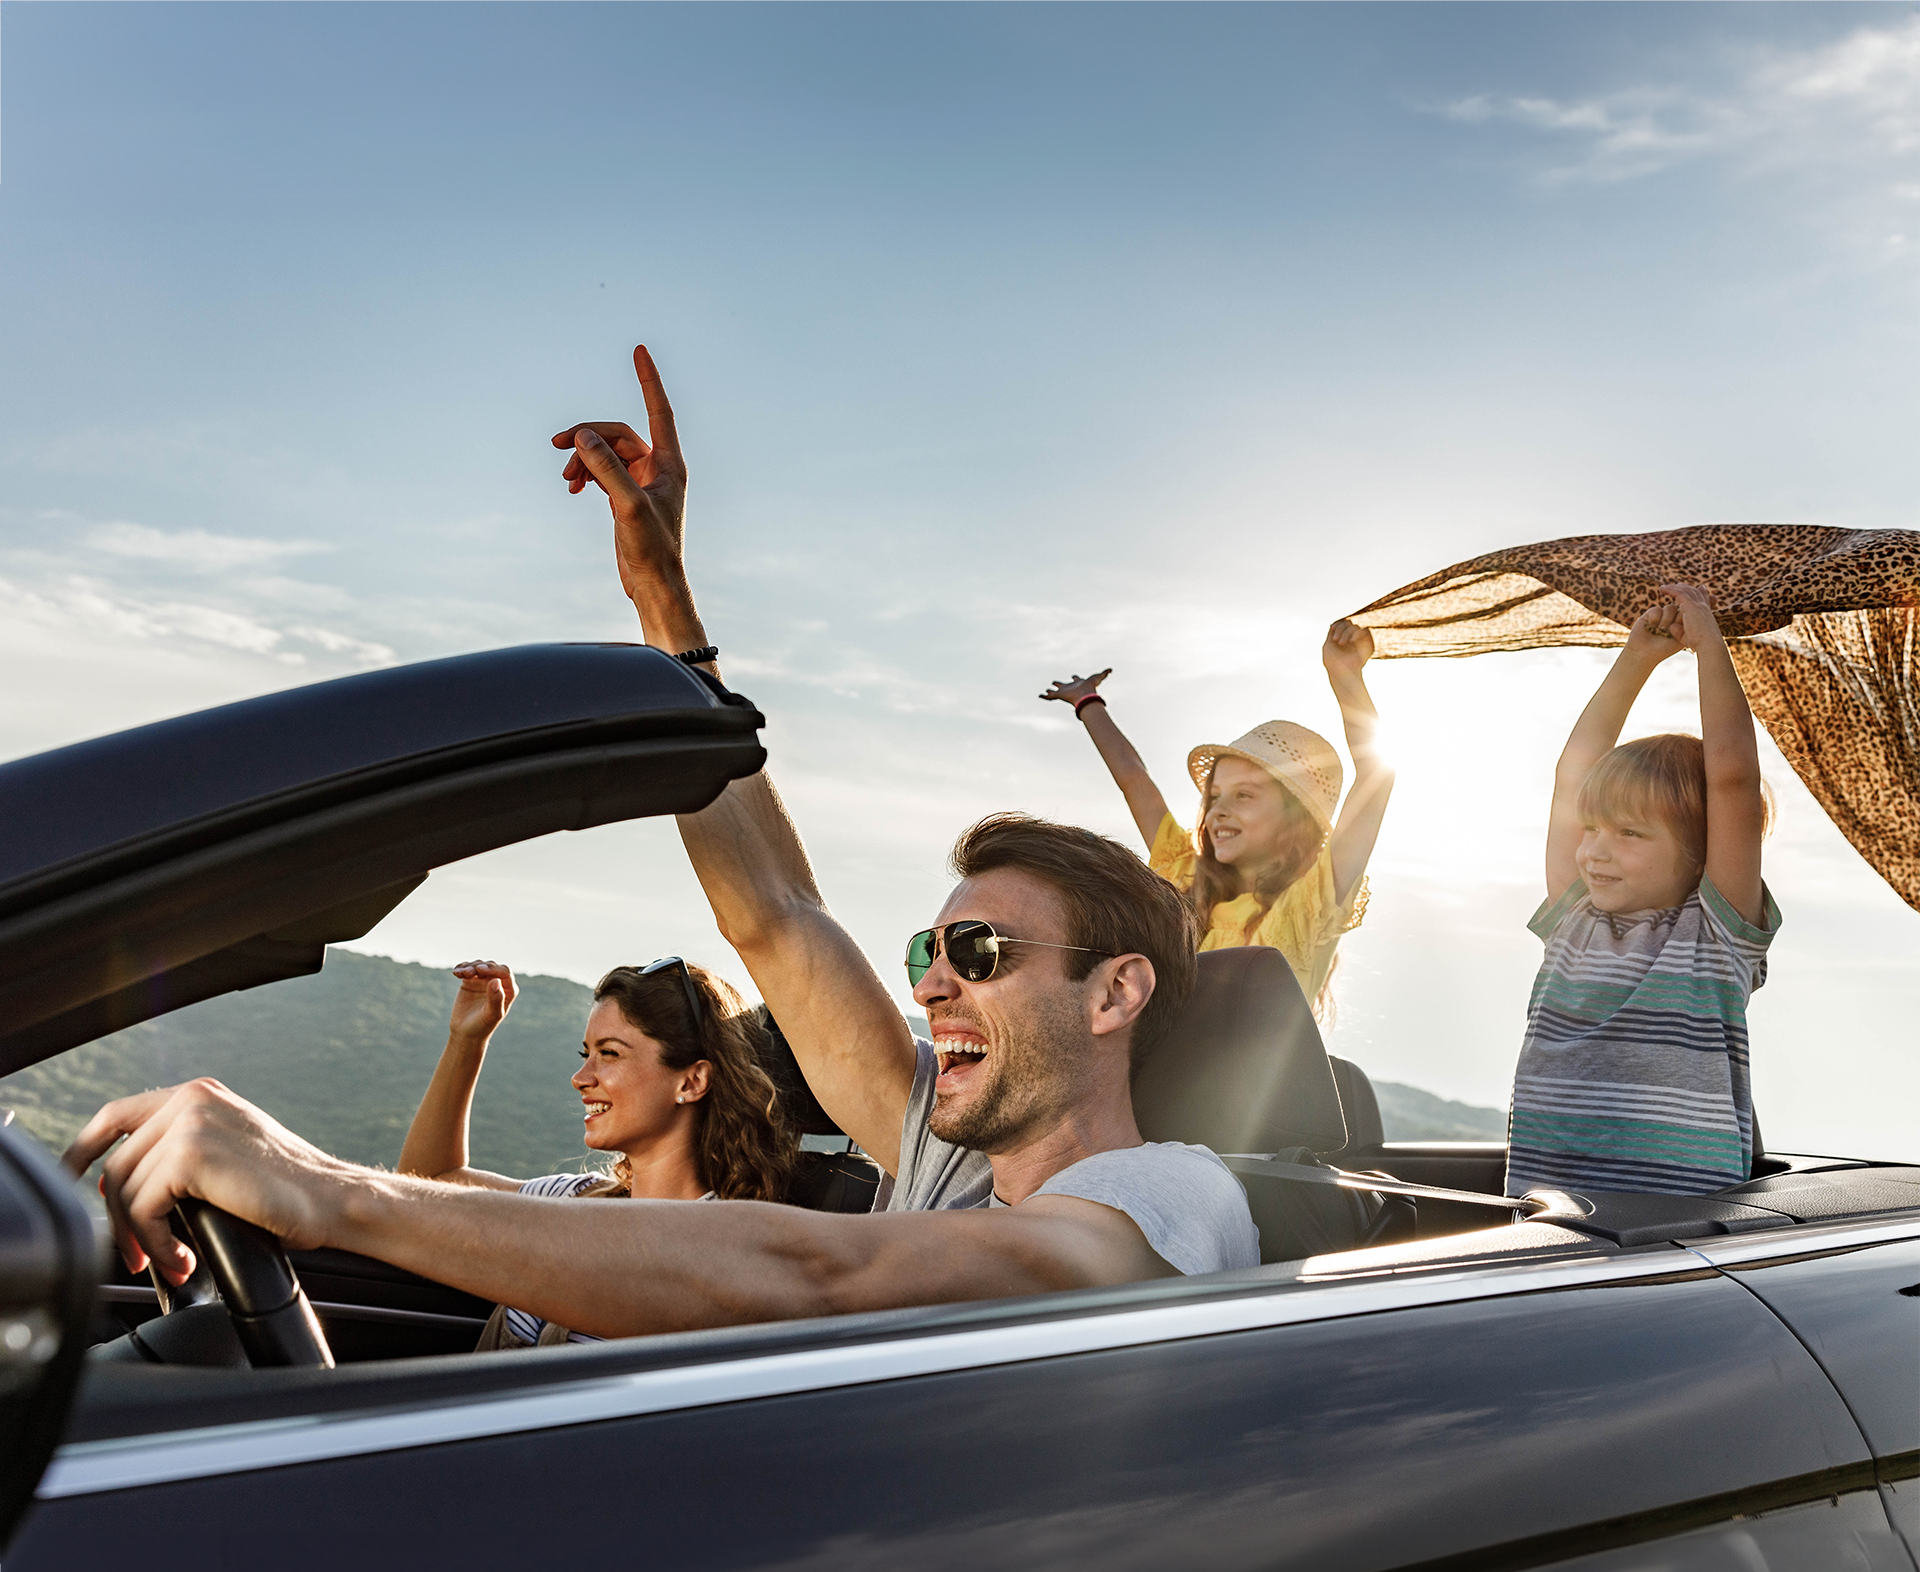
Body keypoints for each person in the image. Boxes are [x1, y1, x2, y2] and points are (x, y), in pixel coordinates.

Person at [63, 345, 1258, 1339]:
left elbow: (822, 1276)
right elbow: (776, 916)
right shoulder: (946, 1170)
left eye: (981, 951)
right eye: (928, 950)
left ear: (1116, 993)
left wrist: (328, 1191)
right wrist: (663, 608)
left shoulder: (1165, 1202)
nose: (933, 980)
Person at [1506, 583, 1779, 1199]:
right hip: (1542, 1225)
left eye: (1629, 833)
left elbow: (1734, 780)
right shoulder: (1572, 918)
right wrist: (1635, 659)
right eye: (1593, 827)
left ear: (1701, 847)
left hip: (1672, 1234)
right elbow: (1570, 774)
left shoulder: (1716, 935)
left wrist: (1709, 645)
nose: (1594, 849)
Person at [398, 956, 800, 1346]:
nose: (580, 1078)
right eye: (585, 1054)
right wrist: (467, 1040)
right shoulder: (571, 1200)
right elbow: (427, 1183)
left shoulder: (720, 1256)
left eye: (609, 1053)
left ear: (692, 1081)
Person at [1040, 628, 1392, 1011]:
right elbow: (1133, 779)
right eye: (1214, 796)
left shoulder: (1309, 904)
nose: (1218, 810)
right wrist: (1087, 701)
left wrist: (1345, 675)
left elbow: (1376, 774)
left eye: (1244, 795)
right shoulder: (1184, 877)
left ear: (1296, 819)